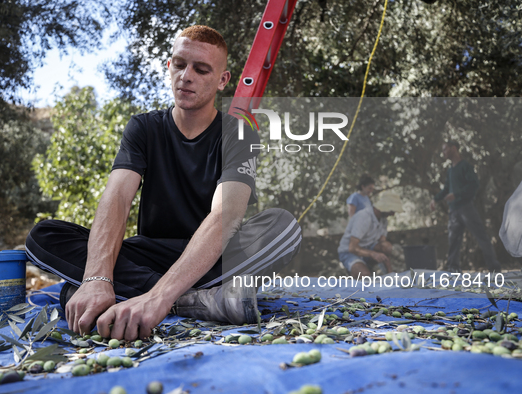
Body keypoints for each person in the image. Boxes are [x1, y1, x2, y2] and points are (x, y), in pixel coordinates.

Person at [25, 26, 302, 341]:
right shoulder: (143, 128)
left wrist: (158, 297)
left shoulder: (239, 134)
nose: (186, 76)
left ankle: (146, 294)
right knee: (43, 236)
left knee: (284, 226)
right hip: (149, 253)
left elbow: (225, 216)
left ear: (222, 80)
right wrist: (96, 278)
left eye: (201, 69)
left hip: (213, 258)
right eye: (180, 64)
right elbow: (116, 198)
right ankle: (198, 302)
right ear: (169, 66)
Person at [430, 141, 501, 273]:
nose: (443, 152)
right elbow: (446, 189)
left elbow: (474, 185)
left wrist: (456, 194)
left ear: (454, 148)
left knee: (482, 236)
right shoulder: (450, 170)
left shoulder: (465, 166)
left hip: (466, 209)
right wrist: (435, 199)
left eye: (445, 149)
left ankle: (494, 268)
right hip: (453, 212)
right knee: (453, 241)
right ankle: (453, 269)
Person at [337, 190, 403, 279]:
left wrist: (389, 271)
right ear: (384, 208)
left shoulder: (383, 220)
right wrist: (373, 254)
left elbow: (383, 244)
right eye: (392, 210)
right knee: (364, 275)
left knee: (387, 246)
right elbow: (352, 248)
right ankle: (355, 268)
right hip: (350, 252)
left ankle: (372, 267)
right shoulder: (364, 217)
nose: (393, 214)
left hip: (368, 248)